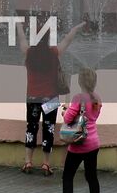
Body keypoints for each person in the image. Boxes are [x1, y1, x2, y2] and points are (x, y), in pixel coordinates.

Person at [22, 21, 85, 175]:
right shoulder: (53, 53)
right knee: (48, 128)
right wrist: (75, 29)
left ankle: (28, 162)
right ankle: (46, 164)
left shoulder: (29, 53)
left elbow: (22, 40)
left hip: (33, 98)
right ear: (48, 38)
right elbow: (67, 41)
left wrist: (18, 26)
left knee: (31, 127)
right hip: (50, 98)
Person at [60, 68, 102, 193]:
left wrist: (66, 111)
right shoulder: (97, 98)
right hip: (93, 143)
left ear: (80, 82)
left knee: (68, 176)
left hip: (79, 144)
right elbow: (93, 116)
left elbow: (68, 119)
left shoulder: (78, 98)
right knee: (91, 177)